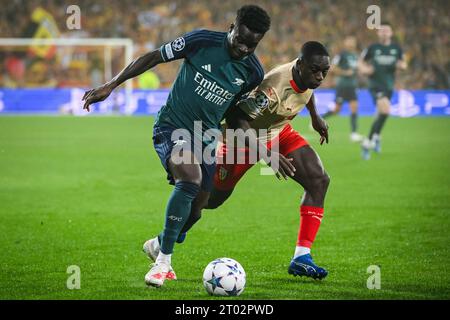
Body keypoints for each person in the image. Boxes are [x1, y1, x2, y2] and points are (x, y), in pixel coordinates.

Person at [82, 4, 273, 288]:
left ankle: (159, 244)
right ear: (231, 27)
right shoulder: (202, 41)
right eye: (241, 39)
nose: (244, 48)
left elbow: (233, 111)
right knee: (190, 179)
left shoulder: (253, 72)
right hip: (173, 125)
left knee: (197, 208)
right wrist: (111, 85)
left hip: (206, 136)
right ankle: (163, 264)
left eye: (252, 44)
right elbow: (154, 57)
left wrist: (254, 142)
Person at [152, 41, 332, 280]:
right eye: (315, 71)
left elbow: (306, 89)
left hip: (278, 133)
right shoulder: (272, 90)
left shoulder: (306, 73)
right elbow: (237, 120)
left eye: (324, 72)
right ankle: (163, 240)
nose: (319, 77)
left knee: (319, 180)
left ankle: (301, 257)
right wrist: (267, 155)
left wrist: (315, 116)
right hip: (242, 141)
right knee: (209, 201)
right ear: (300, 65)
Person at [359, 22, 407, 160]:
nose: (384, 32)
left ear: (391, 33)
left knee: (382, 113)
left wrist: (402, 66)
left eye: (387, 30)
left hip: (389, 86)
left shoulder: (396, 48)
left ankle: (376, 135)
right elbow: (361, 62)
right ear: (378, 33)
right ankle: (368, 142)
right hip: (375, 85)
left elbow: (403, 63)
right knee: (385, 110)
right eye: (382, 30)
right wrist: (364, 70)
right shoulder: (373, 48)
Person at [322, 36, 362, 142]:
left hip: (352, 86)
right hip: (342, 85)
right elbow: (332, 67)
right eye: (349, 41)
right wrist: (345, 73)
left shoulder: (355, 56)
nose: (351, 43)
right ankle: (319, 119)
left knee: (354, 108)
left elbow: (356, 69)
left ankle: (354, 134)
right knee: (337, 110)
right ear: (345, 43)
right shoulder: (342, 55)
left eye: (353, 41)